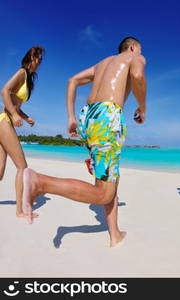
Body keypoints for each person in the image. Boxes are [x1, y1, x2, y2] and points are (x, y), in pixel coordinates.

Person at [22, 37, 147, 247]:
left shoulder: (102, 64)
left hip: (88, 116)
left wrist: (70, 117)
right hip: (108, 115)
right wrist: (142, 107)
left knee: (108, 176)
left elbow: (72, 80)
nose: (140, 53)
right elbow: (138, 76)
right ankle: (40, 183)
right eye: (140, 49)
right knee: (104, 193)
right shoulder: (134, 56)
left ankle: (114, 234)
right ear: (132, 47)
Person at [0, 46, 45, 218]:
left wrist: (25, 117)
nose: (39, 61)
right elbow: (5, 91)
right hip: (5, 120)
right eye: (37, 57)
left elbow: (16, 104)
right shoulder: (21, 73)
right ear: (29, 58)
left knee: (0, 172)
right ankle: (19, 211)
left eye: (40, 59)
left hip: (6, 121)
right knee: (22, 167)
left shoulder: (28, 79)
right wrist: (13, 114)